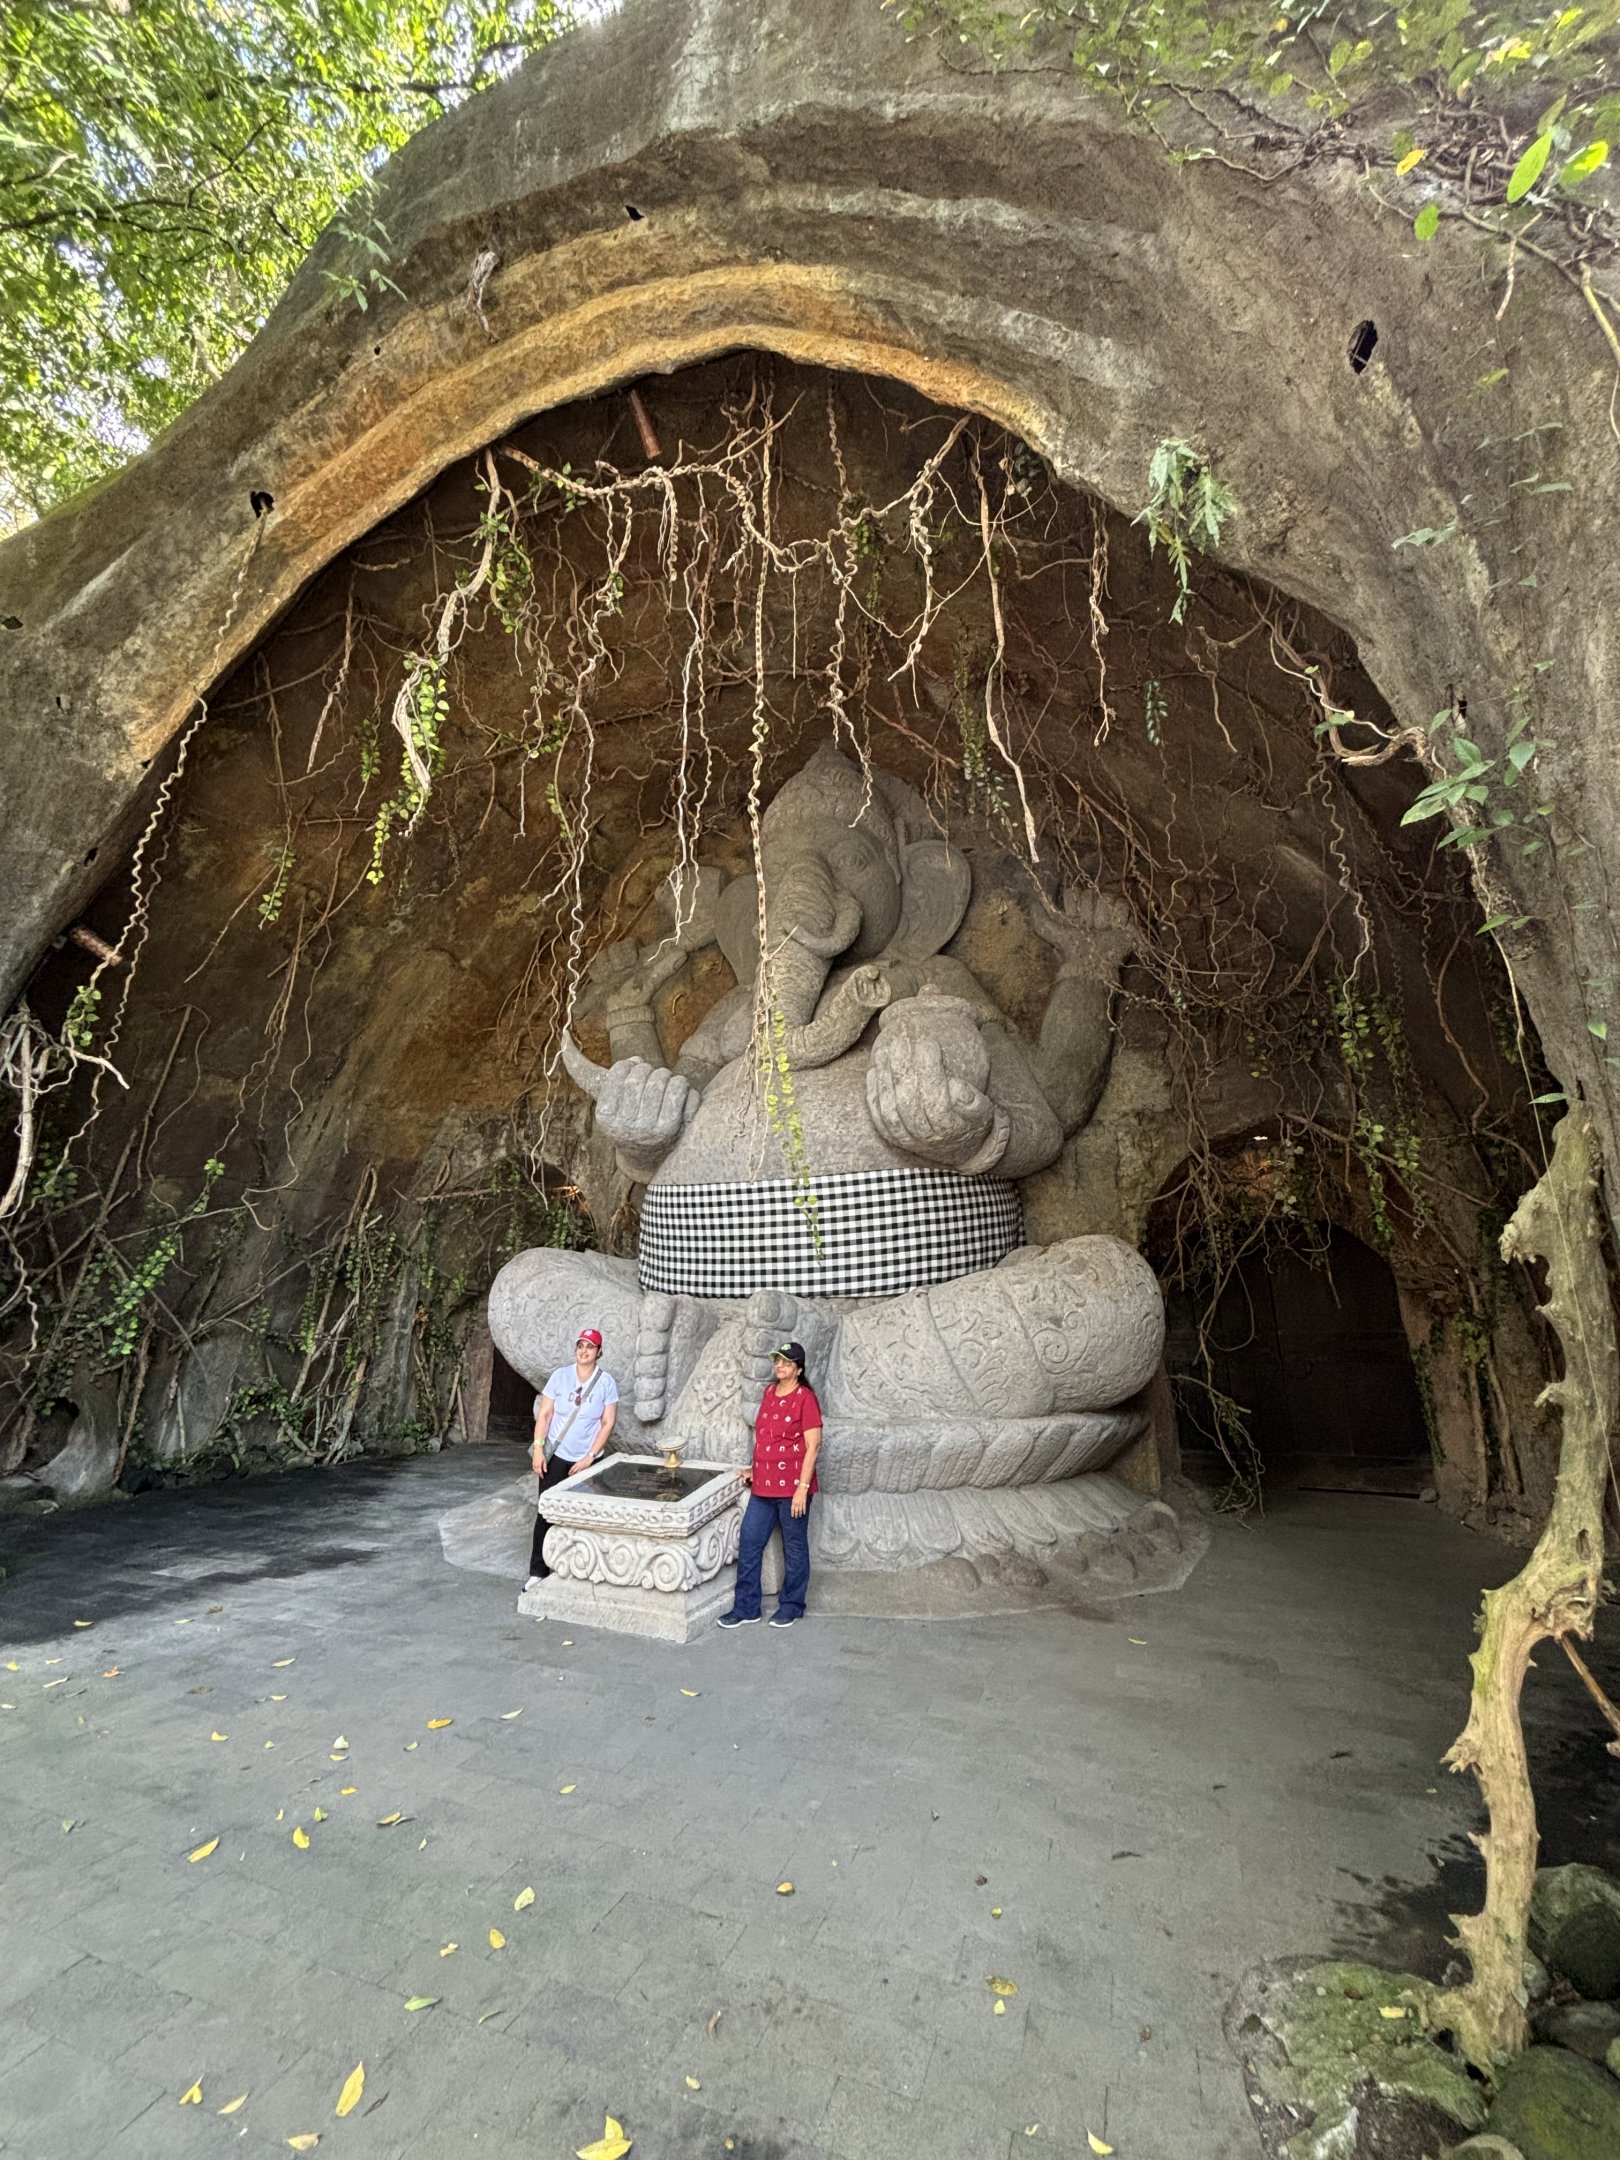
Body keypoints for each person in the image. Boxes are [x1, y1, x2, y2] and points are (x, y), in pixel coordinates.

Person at [718, 1340, 821, 1629]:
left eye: (786, 1362)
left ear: (798, 1369)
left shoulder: (805, 1399)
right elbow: (767, 1437)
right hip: (764, 1486)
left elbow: (813, 1446)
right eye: (777, 1361)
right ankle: (747, 1607)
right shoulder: (769, 1392)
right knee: (750, 1542)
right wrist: (755, 1467)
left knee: (795, 1547)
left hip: (792, 1488)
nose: (779, 1366)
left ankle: (791, 1605)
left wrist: (802, 1487)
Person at [526, 1328, 618, 1587]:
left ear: (599, 1352)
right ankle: (538, 1570)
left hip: (588, 1459)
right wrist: (539, 1450)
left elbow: (607, 1422)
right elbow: (544, 1415)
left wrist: (590, 1457)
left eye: (590, 1346)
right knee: (546, 1510)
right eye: (580, 1345)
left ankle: (582, 1566)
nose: (584, 1351)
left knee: (586, 1512)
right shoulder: (560, 1376)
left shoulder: (606, 1382)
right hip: (557, 1454)